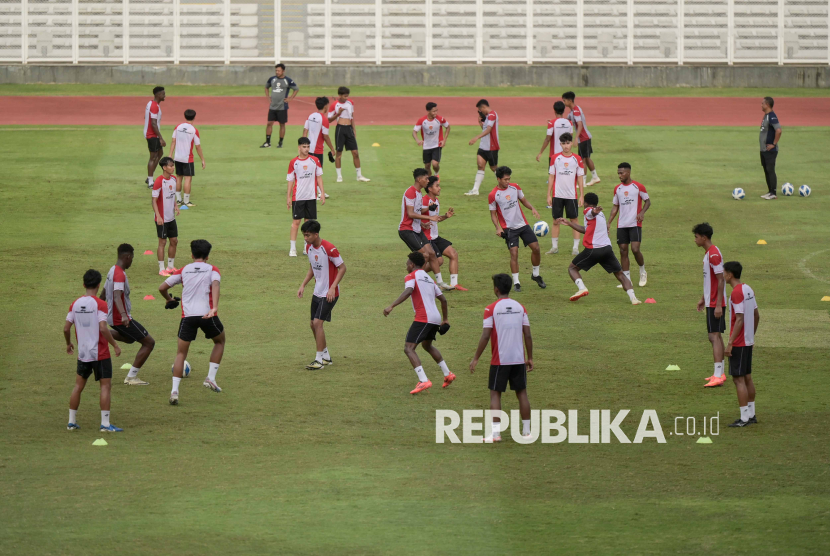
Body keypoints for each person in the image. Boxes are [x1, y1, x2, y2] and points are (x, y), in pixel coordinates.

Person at [159, 239, 226, 405]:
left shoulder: (183, 270)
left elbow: (162, 287)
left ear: (191, 254)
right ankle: (210, 378)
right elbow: (216, 285)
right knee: (219, 341)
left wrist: (168, 299)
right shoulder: (213, 269)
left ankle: (174, 391)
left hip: (187, 317)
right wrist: (214, 307)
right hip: (207, 315)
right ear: (208, 256)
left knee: (181, 353)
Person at [469, 273, 533, 442]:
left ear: (496, 289)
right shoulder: (521, 307)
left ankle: (496, 434)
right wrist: (530, 357)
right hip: (518, 358)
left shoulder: (490, 309)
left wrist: (476, 358)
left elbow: (485, 336)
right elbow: (527, 335)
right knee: (522, 394)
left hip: (500, 360)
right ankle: (527, 432)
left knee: (495, 394)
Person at [383, 252, 454, 395]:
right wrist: (445, 319)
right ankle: (448, 374)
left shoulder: (411, 276)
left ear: (412, 265)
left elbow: (409, 291)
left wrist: (392, 306)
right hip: (435, 317)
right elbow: (444, 300)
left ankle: (423, 380)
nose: (406, 267)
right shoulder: (429, 278)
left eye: (407, 265)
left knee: (408, 348)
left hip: (423, 318)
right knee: (427, 345)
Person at [64, 269, 123, 432]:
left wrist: (68, 343)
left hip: (83, 354)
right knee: (105, 387)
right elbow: (103, 328)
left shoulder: (74, 304)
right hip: (100, 353)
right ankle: (105, 424)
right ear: (98, 285)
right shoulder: (100, 304)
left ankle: (71, 422)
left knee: (78, 386)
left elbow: (66, 327)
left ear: (84, 284)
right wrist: (115, 345)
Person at [557, 192, 642, 305]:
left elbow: (590, 212)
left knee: (572, 268)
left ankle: (582, 288)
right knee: (620, 274)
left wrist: (593, 211)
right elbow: (585, 229)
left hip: (593, 249)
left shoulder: (588, 211)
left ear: (586, 203)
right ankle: (634, 298)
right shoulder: (601, 215)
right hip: (607, 250)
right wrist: (569, 223)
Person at [100, 243, 157, 386]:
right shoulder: (119, 274)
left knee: (130, 338)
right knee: (149, 342)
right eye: (132, 258)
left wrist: (97, 309)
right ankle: (131, 377)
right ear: (127, 257)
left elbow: (103, 293)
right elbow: (117, 295)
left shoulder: (112, 270)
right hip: (120, 318)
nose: (132, 261)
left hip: (113, 318)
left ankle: (101, 333)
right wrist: (124, 315)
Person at [297, 220, 346, 370]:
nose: (305, 238)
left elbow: (342, 268)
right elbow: (312, 268)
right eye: (304, 235)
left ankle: (319, 360)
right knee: (313, 324)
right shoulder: (309, 247)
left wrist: (333, 287)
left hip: (330, 293)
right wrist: (303, 284)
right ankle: (326, 357)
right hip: (317, 292)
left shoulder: (329, 249)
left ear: (316, 234)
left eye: (308, 235)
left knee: (318, 323)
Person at [487, 166, 545, 292]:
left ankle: (536, 275)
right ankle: (517, 282)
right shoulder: (493, 195)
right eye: (505, 179)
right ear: (498, 179)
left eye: (509, 179)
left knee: (536, 248)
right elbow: (493, 214)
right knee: (514, 253)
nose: (507, 181)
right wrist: (498, 228)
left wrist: (532, 208)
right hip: (509, 228)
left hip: (523, 224)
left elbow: (523, 200)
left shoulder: (515, 187)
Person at [723, 261, 760, 427]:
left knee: (738, 379)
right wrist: (751, 336)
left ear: (730, 275)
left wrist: (730, 343)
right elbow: (756, 315)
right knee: (747, 377)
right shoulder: (748, 289)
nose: (723, 275)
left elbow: (739, 319)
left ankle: (744, 418)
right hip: (747, 340)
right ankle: (751, 414)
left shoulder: (736, 293)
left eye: (724, 273)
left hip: (739, 342)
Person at [692, 222, 728, 388]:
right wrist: (703, 298)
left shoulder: (713, 255)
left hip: (716, 302)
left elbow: (721, 279)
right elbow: (711, 281)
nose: (695, 240)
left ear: (704, 237)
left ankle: (718, 375)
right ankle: (719, 373)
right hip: (712, 301)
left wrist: (718, 304)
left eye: (696, 237)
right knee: (716, 336)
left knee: (713, 336)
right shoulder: (710, 253)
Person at [607, 162, 650, 288]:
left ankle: (642, 271)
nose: (619, 175)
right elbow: (615, 206)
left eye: (622, 173)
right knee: (623, 251)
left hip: (635, 223)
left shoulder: (638, 187)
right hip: (622, 224)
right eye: (618, 173)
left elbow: (648, 201)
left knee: (635, 249)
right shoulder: (617, 188)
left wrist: (642, 212)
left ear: (628, 172)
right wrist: (609, 222)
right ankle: (627, 280)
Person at [423, 176, 465, 291]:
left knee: (453, 254)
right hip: (427, 238)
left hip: (435, 236)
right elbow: (416, 219)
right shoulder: (424, 201)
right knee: (439, 261)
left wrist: (445, 217)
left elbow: (435, 219)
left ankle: (454, 284)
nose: (440, 188)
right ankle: (416, 273)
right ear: (430, 188)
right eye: (437, 186)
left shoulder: (436, 201)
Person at [546, 132, 584, 256]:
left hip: (572, 196)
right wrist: (548, 194)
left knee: (574, 220)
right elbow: (551, 177)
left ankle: (575, 248)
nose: (566, 146)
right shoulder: (555, 158)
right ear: (560, 144)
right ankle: (554, 247)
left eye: (568, 143)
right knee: (556, 220)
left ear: (572, 143)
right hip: (557, 195)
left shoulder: (577, 159)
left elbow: (580, 178)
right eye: (563, 143)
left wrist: (582, 195)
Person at [287, 137, 324, 257]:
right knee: (296, 222)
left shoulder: (315, 160)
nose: (306, 149)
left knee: (308, 223)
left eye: (308, 147)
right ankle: (292, 248)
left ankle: (306, 247)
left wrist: (322, 193)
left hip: (311, 197)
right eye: (304, 147)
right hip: (298, 197)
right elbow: (290, 181)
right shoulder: (294, 162)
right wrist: (288, 197)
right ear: (299, 147)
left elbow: (319, 177)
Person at [398, 168, 440, 275]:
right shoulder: (410, 192)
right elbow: (411, 213)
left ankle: (440, 283)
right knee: (424, 255)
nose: (428, 181)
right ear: (419, 179)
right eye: (426, 179)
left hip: (416, 229)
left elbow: (418, 210)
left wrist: (423, 219)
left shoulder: (419, 193)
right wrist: (430, 218)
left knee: (431, 253)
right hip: (407, 229)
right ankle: (413, 278)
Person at [328, 86, 370, 182]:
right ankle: (339, 176)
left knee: (355, 152)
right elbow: (329, 120)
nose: (346, 98)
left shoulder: (350, 103)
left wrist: (354, 129)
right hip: (340, 129)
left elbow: (352, 116)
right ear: (340, 95)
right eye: (344, 96)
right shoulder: (334, 105)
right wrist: (338, 114)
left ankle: (359, 176)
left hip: (349, 129)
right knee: (339, 153)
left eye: (347, 96)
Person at [562, 91, 599, 186]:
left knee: (582, 160)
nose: (564, 102)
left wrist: (576, 138)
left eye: (564, 100)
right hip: (585, 138)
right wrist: (555, 121)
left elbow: (580, 125)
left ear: (570, 101)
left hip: (583, 138)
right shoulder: (572, 111)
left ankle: (582, 182)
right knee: (586, 158)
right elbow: (566, 121)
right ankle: (595, 177)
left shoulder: (576, 111)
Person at [169, 109, 205, 209]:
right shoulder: (194, 130)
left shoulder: (178, 127)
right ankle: (186, 201)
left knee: (179, 177)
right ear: (194, 117)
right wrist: (202, 159)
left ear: (185, 116)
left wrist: (170, 155)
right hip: (187, 158)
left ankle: (179, 200)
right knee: (188, 179)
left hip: (177, 157)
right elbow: (198, 147)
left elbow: (173, 141)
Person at [465, 99, 500, 196]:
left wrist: (476, 137)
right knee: (480, 166)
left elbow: (489, 130)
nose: (480, 112)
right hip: (483, 146)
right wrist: (481, 124)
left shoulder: (492, 115)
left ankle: (506, 186)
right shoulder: (488, 117)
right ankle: (475, 190)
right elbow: (485, 129)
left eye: (480, 110)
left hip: (492, 147)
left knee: (494, 169)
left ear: (484, 107)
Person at [303, 97, 336, 199]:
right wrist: (332, 148)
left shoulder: (310, 116)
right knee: (317, 172)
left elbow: (305, 132)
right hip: (317, 150)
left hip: (308, 149)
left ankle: (318, 191)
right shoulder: (324, 120)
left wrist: (303, 147)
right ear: (325, 106)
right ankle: (315, 193)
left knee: (311, 171)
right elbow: (325, 136)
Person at [152, 157, 180, 276]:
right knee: (162, 242)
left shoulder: (173, 179)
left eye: (173, 165)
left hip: (171, 218)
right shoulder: (159, 181)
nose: (173, 167)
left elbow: (172, 194)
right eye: (170, 166)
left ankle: (170, 266)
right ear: (164, 167)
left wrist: (175, 205)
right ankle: (161, 269)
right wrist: (158, 216)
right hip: (162, 218)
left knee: (174, 240)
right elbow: (154, 200)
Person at [261, 63, 298, 148]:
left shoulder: (287, 80)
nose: (277, 72)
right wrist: (267, 97)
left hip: (282, 107)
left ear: (283, 71)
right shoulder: (272, 79)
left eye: (279, 70)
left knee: (282, 124)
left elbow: (296, 89)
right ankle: (267, 142)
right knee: (269, 123)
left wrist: (290, 98)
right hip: (272, 106)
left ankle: (280, 143)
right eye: (276, 70)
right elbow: (266, 87)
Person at [413, 102, 450, 176]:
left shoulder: (440, 119)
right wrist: (417, 140)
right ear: (428, 111)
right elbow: (414, 131)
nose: (436, 113)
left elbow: (448, 127)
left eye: (436, 110)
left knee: (435, 164)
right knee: (427, 166)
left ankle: (436, 174)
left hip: (437, 145)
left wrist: (444, 140)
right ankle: (429, 181)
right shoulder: (422, 120)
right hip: (426, 146)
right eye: (434, 111)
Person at [759, 96, 782, 200]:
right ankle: (770, 191)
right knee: (766, 170)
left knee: (770, 170)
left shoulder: (772, 116)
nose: (761, 105)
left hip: (770, 150)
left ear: (767, 105)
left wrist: (774, 143)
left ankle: (773, 193)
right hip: (764, 150)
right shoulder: (766, 115)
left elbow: (779, 130)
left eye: (762, 103)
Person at [536, 100, 572, 164]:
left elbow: (547, 139)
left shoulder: (552, 123)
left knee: (553, 174)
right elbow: (570, 137)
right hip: (566, 154)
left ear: (554, 111)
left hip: (554, 155)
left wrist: (540, 152)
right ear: (563, 111)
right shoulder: (569, 123)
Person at [144, 86, 166, 187]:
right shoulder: (154, 106)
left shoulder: (150, 103)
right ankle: (150, 181)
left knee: (160, 153)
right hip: (152, 135)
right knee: (153, 157)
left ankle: (150, 176)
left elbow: (146, 117)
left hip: (151, 134)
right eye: (163, 94)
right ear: (158, 95)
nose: (164, 95)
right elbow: (153, 123)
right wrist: (160, 137)